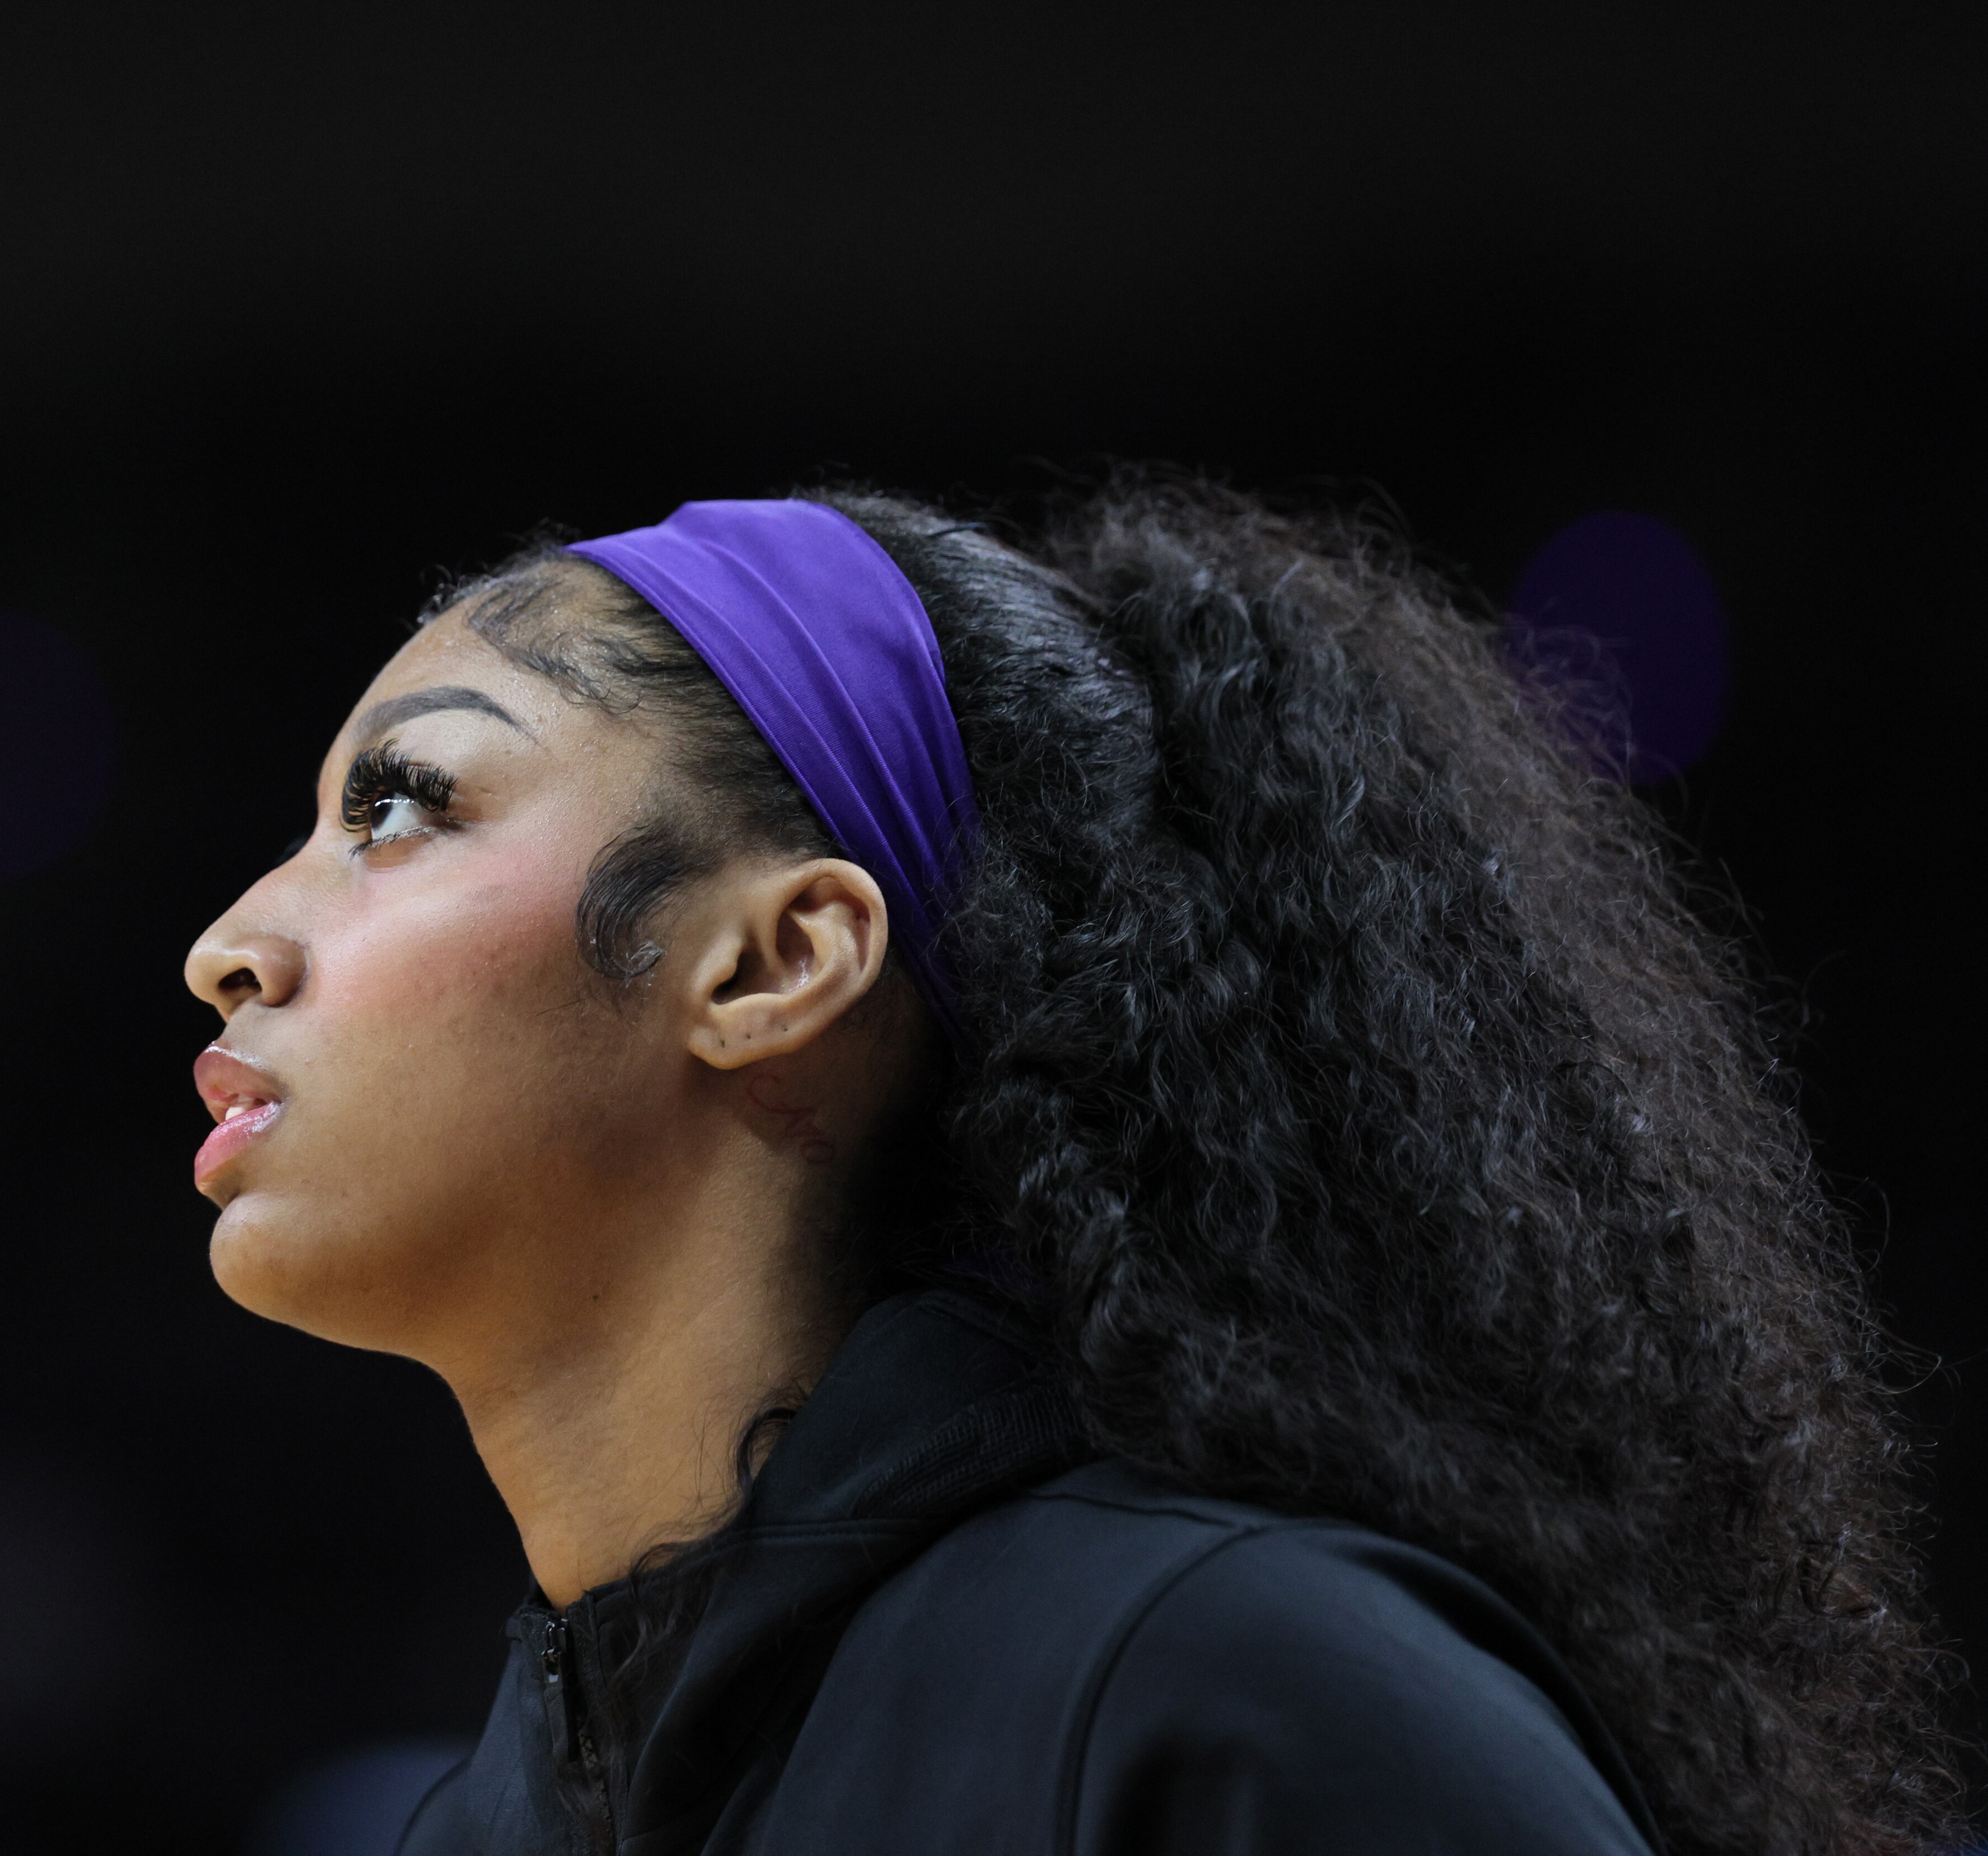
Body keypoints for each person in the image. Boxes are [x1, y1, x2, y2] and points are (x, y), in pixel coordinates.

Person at [182, 480, 1961, 1855]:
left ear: (775, 962)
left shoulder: (1237, 1683)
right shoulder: (488, 1820)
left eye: (400, 808)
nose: (234, 942)